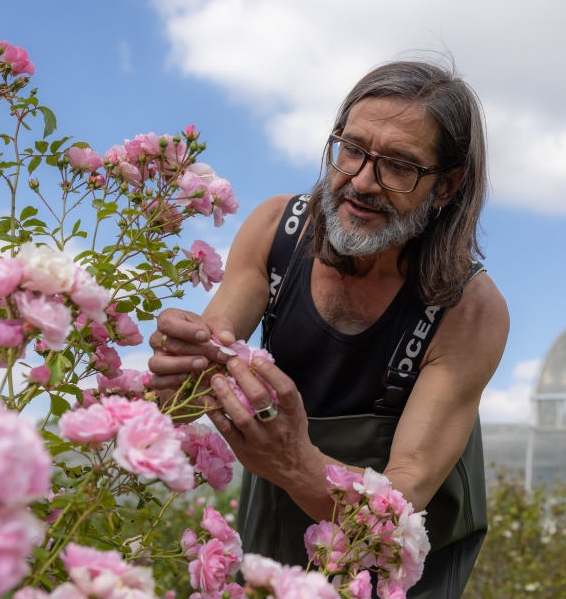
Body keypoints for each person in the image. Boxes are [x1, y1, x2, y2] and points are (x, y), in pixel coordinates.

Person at [148, 60, 509, 598]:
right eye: (353, 150)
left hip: (400, 561)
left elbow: (403, 500)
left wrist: (296, 460)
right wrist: (184, 363)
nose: (362, 182)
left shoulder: (469, 311)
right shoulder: (278, 232)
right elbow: (210, 346)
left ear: (447, 186)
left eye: (400, 167)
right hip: (279, 505)